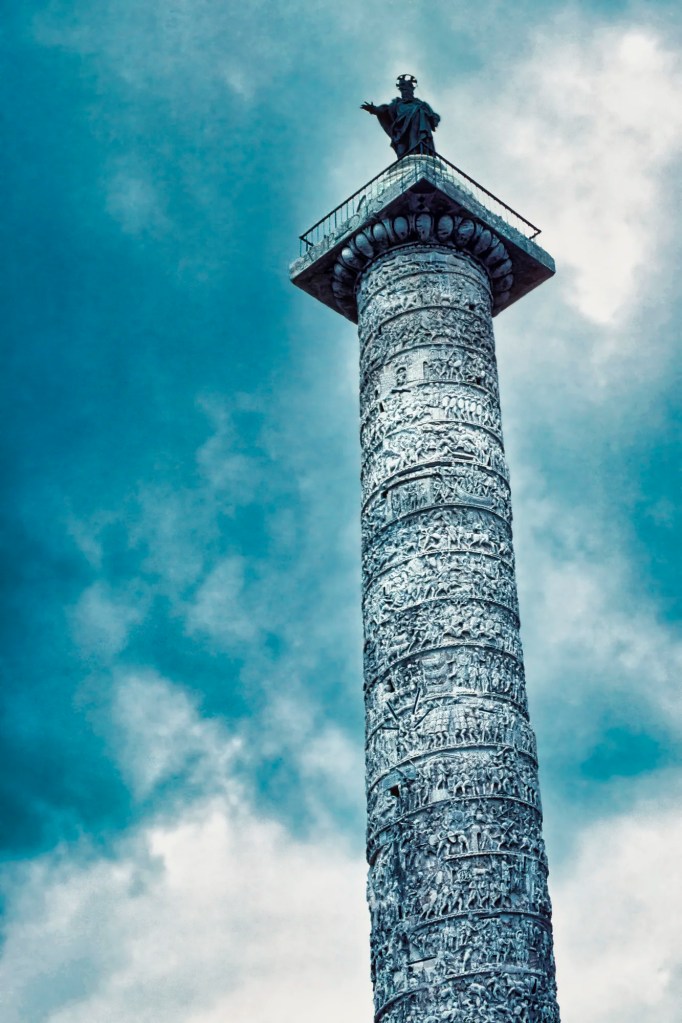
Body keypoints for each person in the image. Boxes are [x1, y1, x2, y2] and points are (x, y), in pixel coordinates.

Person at [362, 74, 441, 158]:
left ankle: (420, 149)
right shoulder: (396, 104)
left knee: (419, 113)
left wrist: (429, 116)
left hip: (418, 128)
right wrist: (374, 109)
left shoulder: (421, 104)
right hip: (402, 129)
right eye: (403, 90)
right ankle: (413, 151)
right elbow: (383, 110)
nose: (405, 92)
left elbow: (434, 117)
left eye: (406, 89)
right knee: (418, 114)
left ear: (411, 90)